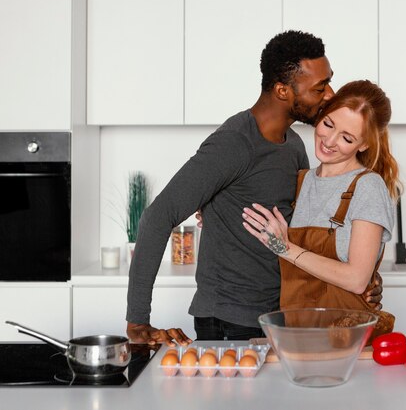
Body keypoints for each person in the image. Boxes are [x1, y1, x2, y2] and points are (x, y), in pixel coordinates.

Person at [125, 31, 382, 346]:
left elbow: (303, 229)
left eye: (329, 82)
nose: (330, 95)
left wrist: (362, 276)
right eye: (319, 87)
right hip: (230, 321)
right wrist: (138, 321)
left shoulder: (294, 146)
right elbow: (158, 216)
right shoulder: (234, 143)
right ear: (282, 90)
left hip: (280, 316)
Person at [242, 80, 400, 340]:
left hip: (347, 341)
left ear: (364, 144)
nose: (329, 141)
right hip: (295, 335)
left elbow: (357, 280)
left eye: (347, 138)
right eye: (328, 124)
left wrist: (286, 249)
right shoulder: (301, 180)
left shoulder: (367, 187)